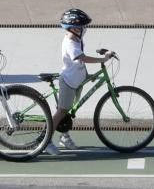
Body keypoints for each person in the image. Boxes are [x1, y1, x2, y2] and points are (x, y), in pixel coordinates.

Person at [45, 8, 114, 155]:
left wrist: (88, 76)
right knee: (62, 111)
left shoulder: (77, 38)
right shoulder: (70, 42)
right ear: (74, 28)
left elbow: (79, 65)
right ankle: (46, 141)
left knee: (69, 111)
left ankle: (64, 136)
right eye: (83, 26)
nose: (85, 29)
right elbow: (82, 58)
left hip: (76, 80)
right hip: (68, 82)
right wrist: (102, 59)